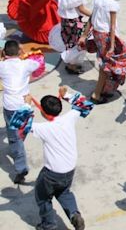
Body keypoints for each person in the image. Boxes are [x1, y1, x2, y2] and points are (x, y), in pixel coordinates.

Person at [29, 92, 89, 230]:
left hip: (52, 173)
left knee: (43, 197)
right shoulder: (70, 117)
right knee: (64, 192)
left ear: (43, 112)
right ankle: (74, 214)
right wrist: (66, 94)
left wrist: (26, 105)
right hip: (69, 169)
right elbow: (84, 104)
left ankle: (48, 225)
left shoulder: (43, 128)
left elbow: (20, 123)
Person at [79, 0, 126, 104]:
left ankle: (105, 88)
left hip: (97, 34)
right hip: (107, 37)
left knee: (108, 63)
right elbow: (112, 26)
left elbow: (91, 18)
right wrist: (111, 45)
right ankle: (97, 93)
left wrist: (84, 35)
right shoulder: (112, 4)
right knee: (112, 62)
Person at [0, 40, 39, 184]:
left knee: (14, 137)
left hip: (11, 106)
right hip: (25, 104)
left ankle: (21, 168)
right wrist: (24, 54)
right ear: (19, 52)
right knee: (22, 131)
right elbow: (38, 62)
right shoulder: (26, 64)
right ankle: (18, 147)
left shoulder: (2, 66)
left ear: (4, 53)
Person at [57, 0, 91, 75]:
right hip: (74, 22)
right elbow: (81, 9)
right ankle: (72, 65)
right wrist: (94, 14)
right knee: (78, 43)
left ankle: (70, 62)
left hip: (65, 21)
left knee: (69, 42)